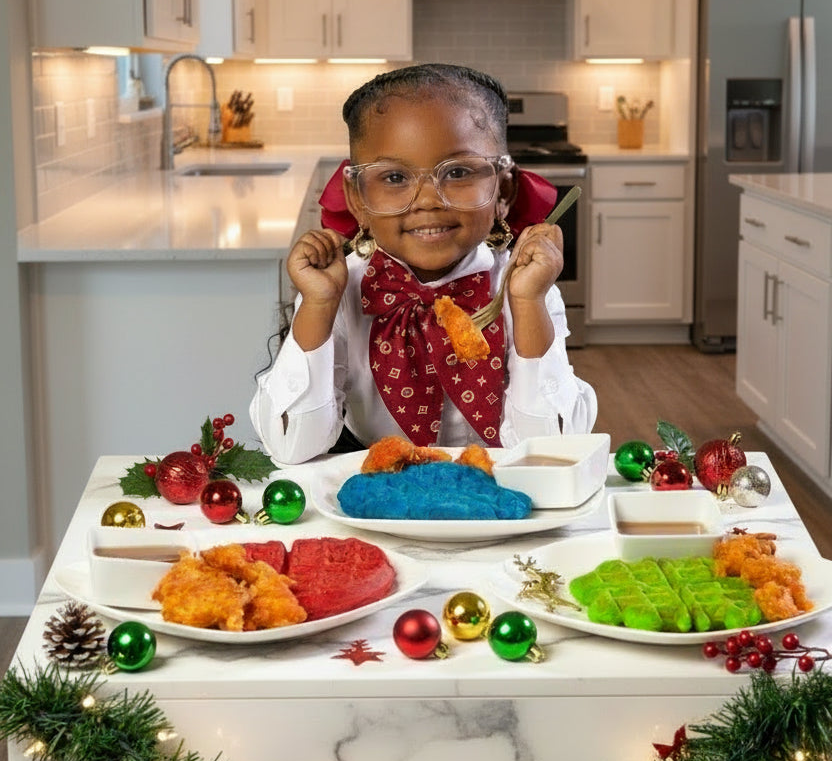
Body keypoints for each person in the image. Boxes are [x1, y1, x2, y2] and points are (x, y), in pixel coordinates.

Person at [250, 63, 597, 463]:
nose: (429, 199)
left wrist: (528, 305)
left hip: (499, 495)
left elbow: (552, 452)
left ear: (503, 188)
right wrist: (318, 306)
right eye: (395, 177)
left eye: (459, 172)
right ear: (357, 196)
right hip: (376, 496)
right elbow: (291, 447)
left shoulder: (525, 285)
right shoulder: (339, 288)